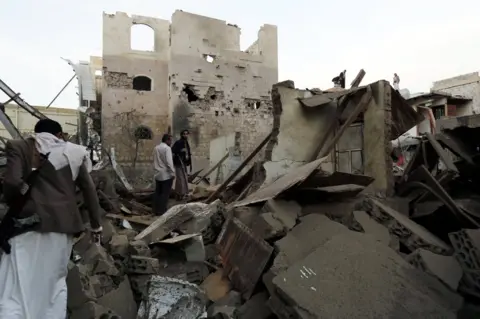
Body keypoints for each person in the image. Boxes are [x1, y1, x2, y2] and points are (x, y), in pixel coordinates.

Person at [0, 119, 102, 319]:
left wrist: (18, 199)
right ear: (60, 134)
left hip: (25, 227)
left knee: (16, 288)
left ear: (35, 132)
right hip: (62, 228)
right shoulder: (74, 152)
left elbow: (11, 182)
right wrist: (96, 226)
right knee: (54, 287)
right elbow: (90, 191)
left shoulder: (20, 146)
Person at [153, 134, 175, 215]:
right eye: (170, 140)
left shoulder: (156, 148)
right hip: (166, 174)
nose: (171, 142)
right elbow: (169, 162)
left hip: (157, 173)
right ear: (167, 140)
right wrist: (173, 172)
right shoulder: (167, 148)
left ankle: (155, 210)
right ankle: (162, 211)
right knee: (165, 194)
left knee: (158, 192)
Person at [172, 129, 191, 200]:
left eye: (187, 134)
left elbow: (188, 153)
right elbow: (173, 150)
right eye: (184, 134)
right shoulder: (178, 142)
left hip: (184, 163)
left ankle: (180, 194)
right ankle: (181, 194)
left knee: (184, 178)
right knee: (180, 179)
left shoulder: (186, 142)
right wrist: (180, 150)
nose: (185, 135)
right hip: (179, 163)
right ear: (181, 135)